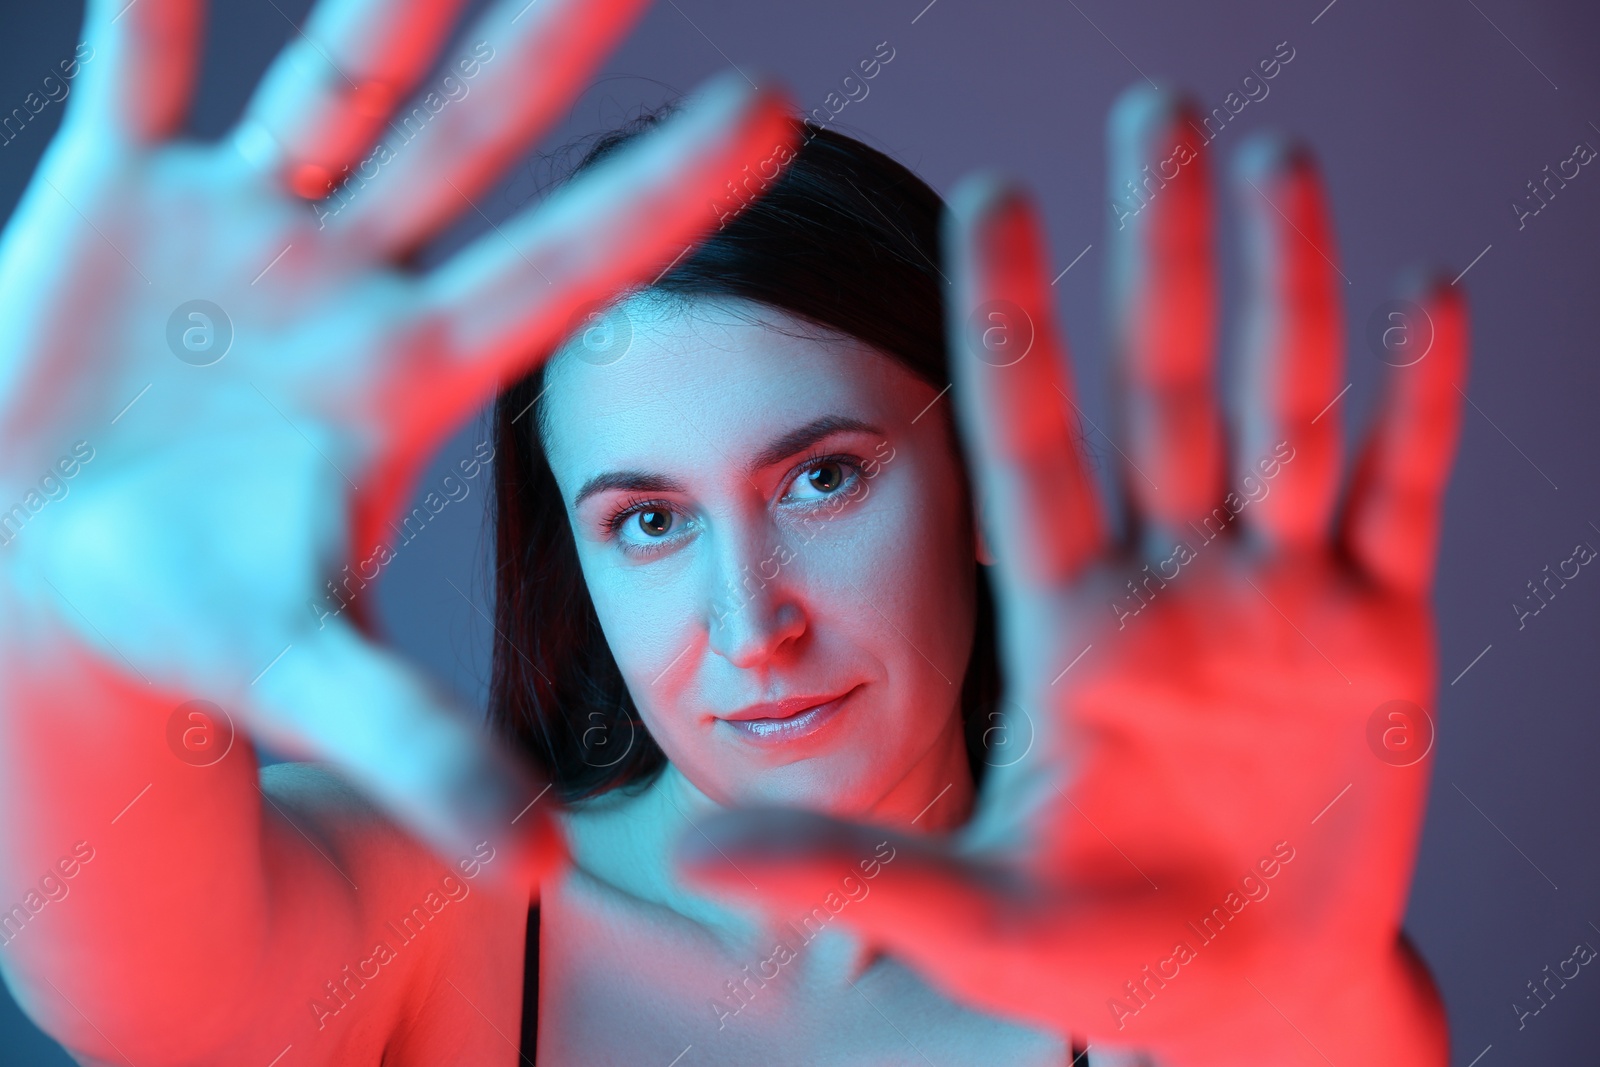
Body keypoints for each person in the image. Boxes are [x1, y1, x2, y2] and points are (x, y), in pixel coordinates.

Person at [0, 0, 1465, 1064]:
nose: (749, 617)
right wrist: (52, 594)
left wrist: (1308, 1017)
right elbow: (139, 987)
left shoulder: (1167, 959)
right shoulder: (424, 908)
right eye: (645, 520)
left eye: (822, 479)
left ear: (976, 489)